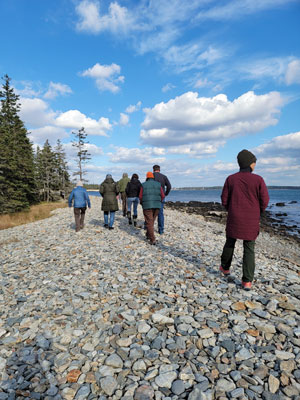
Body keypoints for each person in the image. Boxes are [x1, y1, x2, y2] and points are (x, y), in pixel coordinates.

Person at [219, 149, 269, 290]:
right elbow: (264, 200)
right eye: (254, 162)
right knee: (249, 248)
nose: (255, 165)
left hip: (234, 216)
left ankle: (225, 268)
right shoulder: (258, 179)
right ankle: (247, 281)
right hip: (251, 219)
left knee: (230, 242)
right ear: (250, 164)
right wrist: (258, 211)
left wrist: (233, 209)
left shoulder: (231, 178)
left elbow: (224, 200)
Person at [139, 172, 165, 245]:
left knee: (149, 221)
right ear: (153, 177)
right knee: (151, 221)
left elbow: (140, 196)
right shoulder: (158, 184)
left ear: (147, 177)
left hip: (147, 205)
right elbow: (163, 195)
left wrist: (142, 203)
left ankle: (152, 239)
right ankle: (148, 234)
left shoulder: (143, 185)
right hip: (157, 205)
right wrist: (159, 201)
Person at [153, 165, 171, 234]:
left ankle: (148, 227)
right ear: (159, 170)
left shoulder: (151, 176)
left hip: (152, 197)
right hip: (161, 197)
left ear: (153, 169)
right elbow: (169, 186)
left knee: (151, 212)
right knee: (160, 213)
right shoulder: (163, 177)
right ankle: (160, 230)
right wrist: (166, 193)